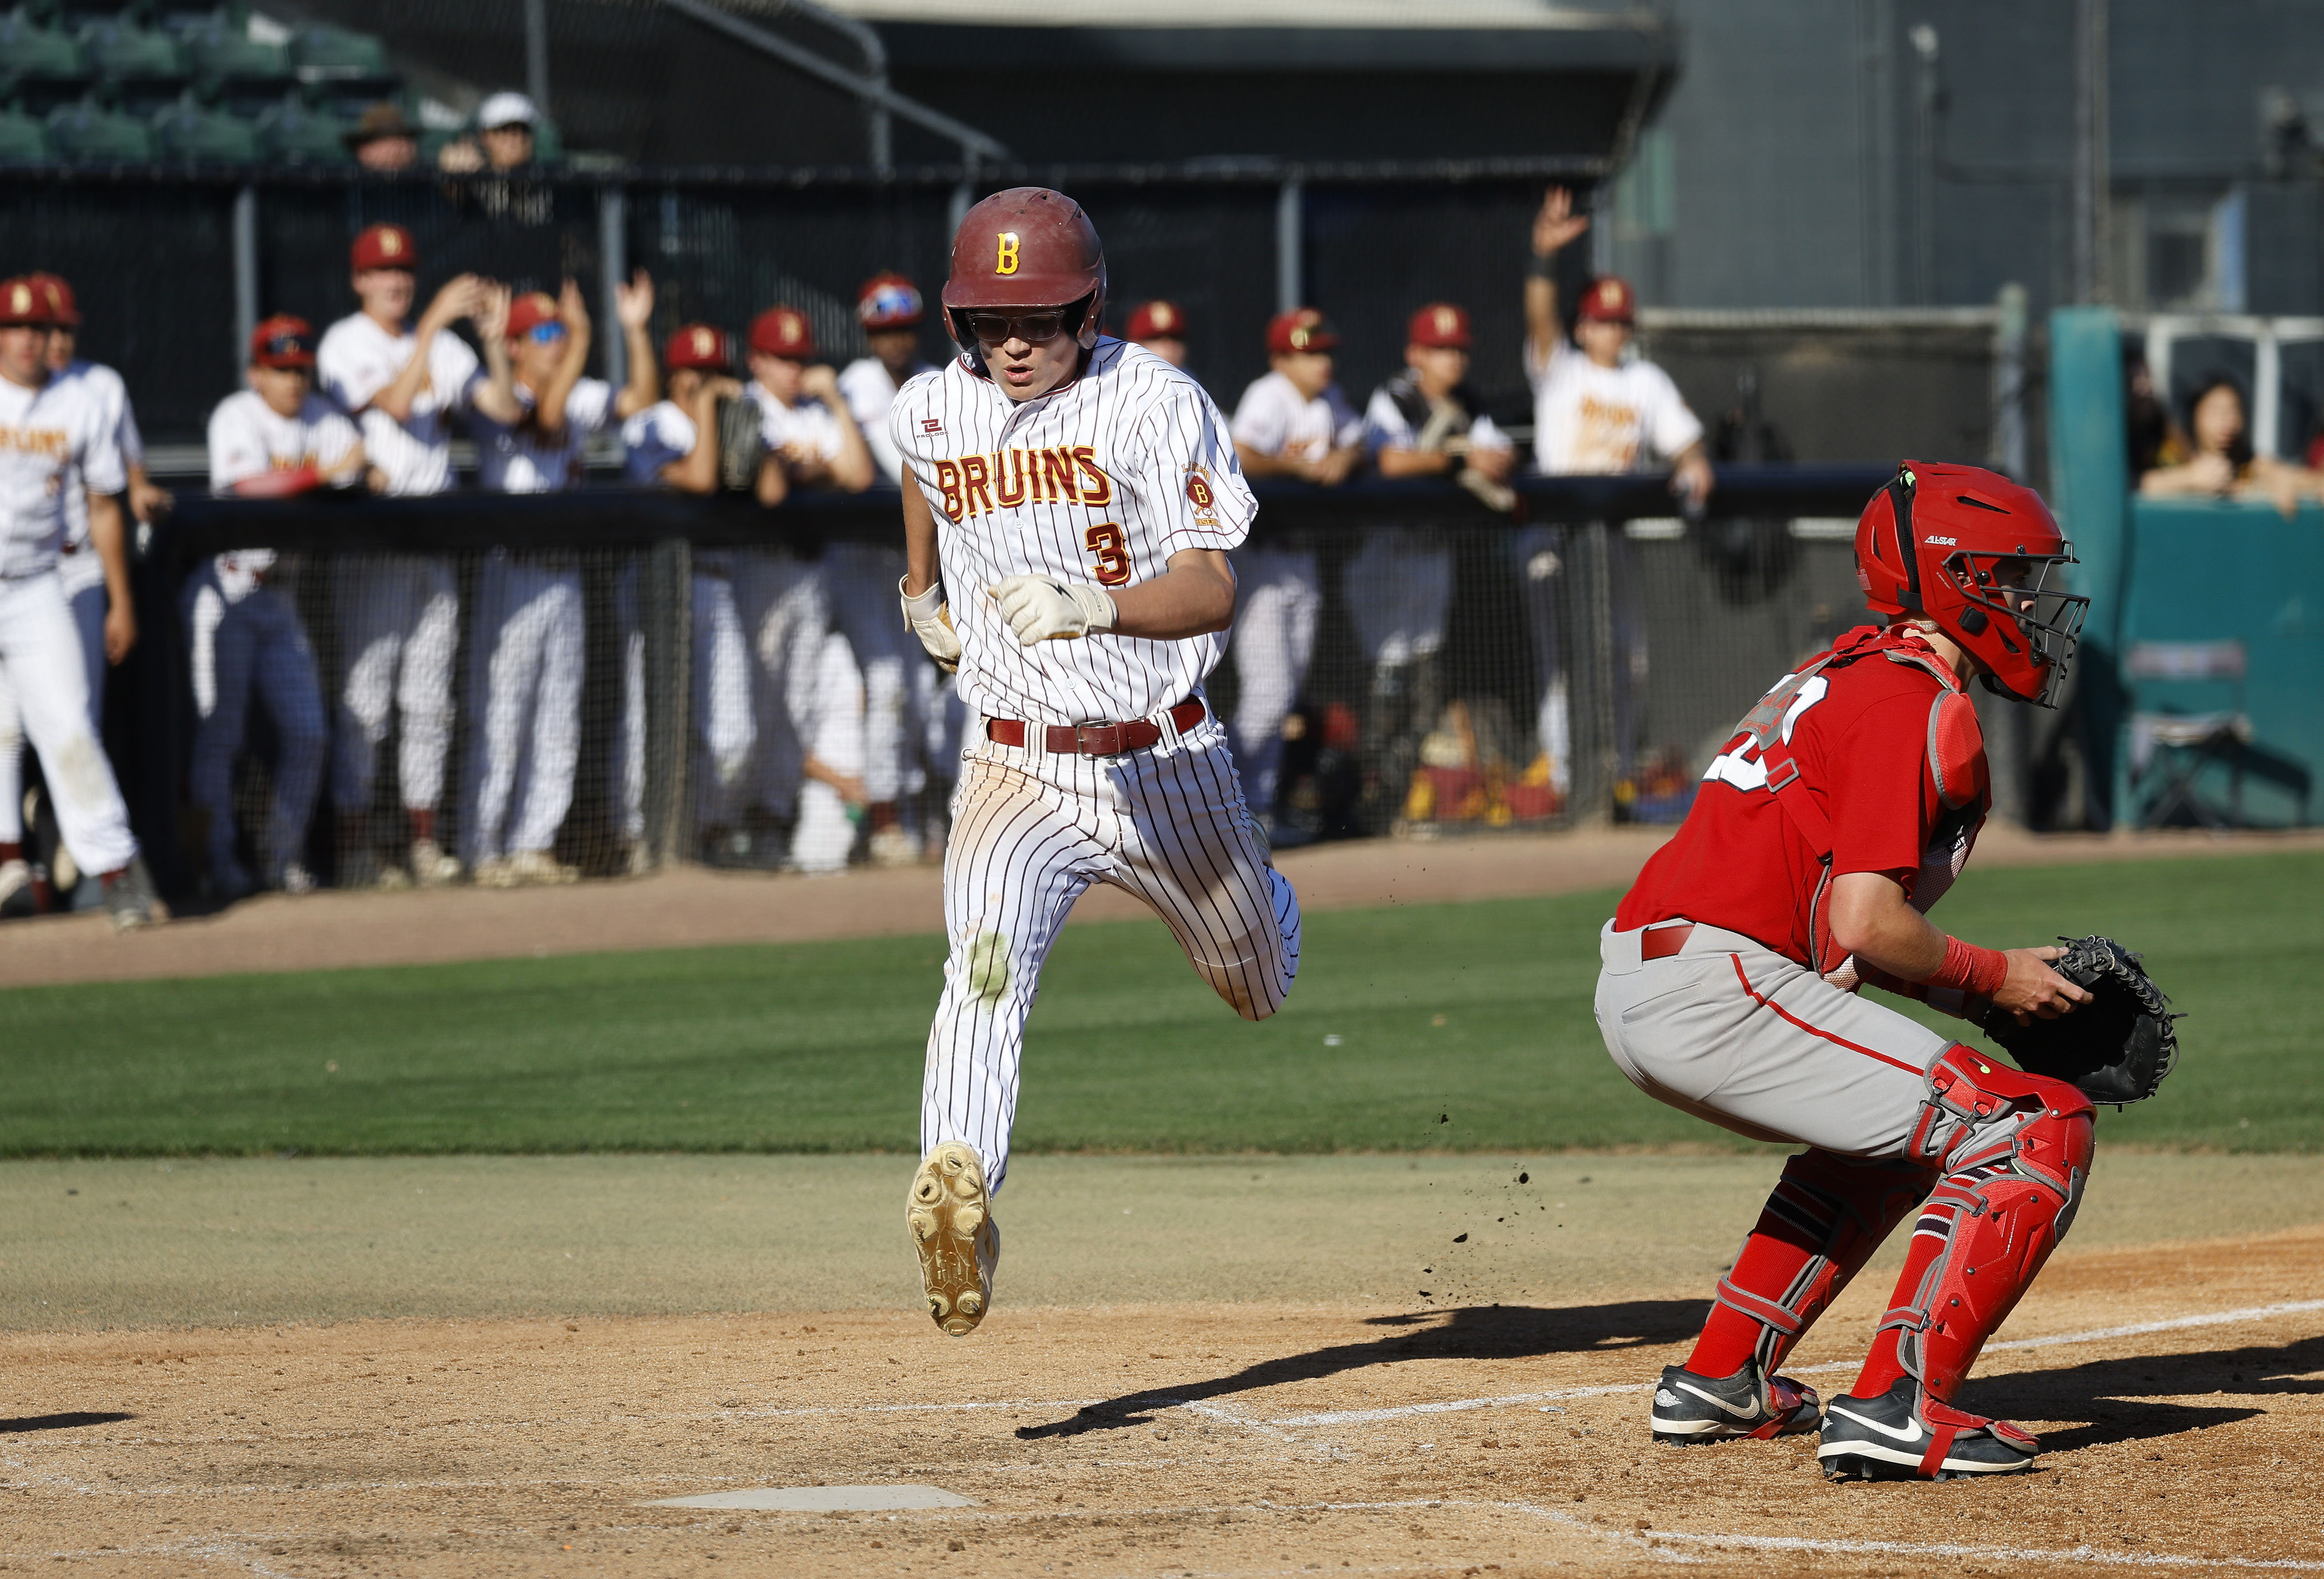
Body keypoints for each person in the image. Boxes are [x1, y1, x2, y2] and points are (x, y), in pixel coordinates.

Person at [1596, 461, 2097, 1480]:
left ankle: (1722, 1378)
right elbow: (1866, 922)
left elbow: (1841, 923)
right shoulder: (1907, 695)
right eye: (2008, 578)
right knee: (2031, 1125)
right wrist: (1994, 971)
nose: (2028, 603)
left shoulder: (1851, 667)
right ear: (1953, 581)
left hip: (1665, 974)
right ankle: (1900, 1403)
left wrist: (1978, 985)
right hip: (1717, 985)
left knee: (1892, 1139)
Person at [892, 187, 1301, 1338]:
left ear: (1091, 308)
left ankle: (1267, 896)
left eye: (1043, 316)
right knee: (981, 968)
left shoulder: (1154, 403)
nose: (1014, 341)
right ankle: (959, 1177)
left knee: (1258, 987)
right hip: (1013, 768)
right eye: (989, 319)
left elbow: (1214, 584)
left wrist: (1099, 605)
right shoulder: (934, 407)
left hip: (1166, 765)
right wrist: (919, 587)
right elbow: (919, 467)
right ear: (957, 321)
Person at [317, 223, 514, 889]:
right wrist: (432, 325)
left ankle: (422, 843)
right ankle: (355, 846)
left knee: (429, 700)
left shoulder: (448, 344)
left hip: (433, 536)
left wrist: (493, 342)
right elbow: (398, 404)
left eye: (404, 270)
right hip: (373, 538)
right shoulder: (346, 341)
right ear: (360, 280)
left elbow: (506, 411)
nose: (395, 280)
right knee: (366, 701)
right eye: (381, 271)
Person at [462, 274, 657, 886]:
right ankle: (483, 846)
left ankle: (533, 843)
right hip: (512, 575)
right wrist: (586, 334)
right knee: (500, 714)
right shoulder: (496, 394)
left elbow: (640, 400)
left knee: (558, 717)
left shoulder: (574, 390)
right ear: (515, 344)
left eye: (558, 330)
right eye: (543, 332)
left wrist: (633, 330)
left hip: (564, 577)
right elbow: (544, 420)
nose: (556, 342)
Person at [1524, 184, 1713, 793]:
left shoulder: (1645, 379)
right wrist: (1542, 256)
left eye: (1621, 320)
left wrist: (1694, 461)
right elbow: (1539, 315)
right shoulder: (1561, 368)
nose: (1614, 329)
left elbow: (1685, 443)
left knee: (1630, 658)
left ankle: (1619, 771)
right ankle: (1561, 774)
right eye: (1603, 320)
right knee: (1563, 661)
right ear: (1583, 327)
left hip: (1610, 535)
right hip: (1556, 527)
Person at [0, 271, 166, 916]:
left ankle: (117, 868)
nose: (24, 340)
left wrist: (121, 600)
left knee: (70, 725)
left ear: (55, 337)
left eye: (38, 328)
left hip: (39, 584)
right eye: (12, 327)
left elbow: (104, 507)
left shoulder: (83, 399)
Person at [196, 315, 351, 899]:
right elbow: (249, 487)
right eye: (280, 368)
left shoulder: (323, 416)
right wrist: (323, 473)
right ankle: (217, 860)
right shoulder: (236, 413)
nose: (293, 380)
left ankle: (280, 852)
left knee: (310, 733)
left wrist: (355, 469)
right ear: (256, 372)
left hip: (282, 596)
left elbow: (360, 464)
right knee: (222, 735)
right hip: (230, 589)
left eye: (300, 369)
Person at [1348, 302, 1518, 822]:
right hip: (1385, 558)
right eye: (1441, 349)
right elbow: (1392, 461)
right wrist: (1460, 457)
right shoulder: (1396, 396)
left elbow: (1504, 453)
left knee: (1426, 693)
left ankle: (1395, 801)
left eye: (1459, 349)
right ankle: (1366, 802)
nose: (1453, 359)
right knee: (1386, 691)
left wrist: (1487, 455)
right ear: (1416, 353)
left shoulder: (1468, 401)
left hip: (1431, 559)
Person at [614, 323, 776, 868]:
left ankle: (707, 832)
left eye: (714, 373)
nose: (703, 382)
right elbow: (701, 478)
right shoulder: (650, 425)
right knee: (648, 721)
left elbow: (774, 492)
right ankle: (639, 837)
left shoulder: (730, 420)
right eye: (694, 373)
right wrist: (710, 408)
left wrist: (756, 422)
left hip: (717, 582)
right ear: (673, 374)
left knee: (736, 733)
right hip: (659, 589)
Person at [745, 304, 885, 868]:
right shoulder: (746, 407)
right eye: (781, 359)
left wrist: (833, 403)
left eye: (800, 358)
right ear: (756, 360)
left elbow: (856, 476)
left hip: (808, 572)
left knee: (796, 705)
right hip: (756, 570)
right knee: (753, 702)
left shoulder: (813, 411)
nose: (793, 369)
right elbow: (773, 486)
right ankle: (734, 819)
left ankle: (772, 822)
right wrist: (810, 469)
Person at [1224, 306, 1360, 830]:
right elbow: (1241, 453)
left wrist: (1344, 459)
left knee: (1285, 698)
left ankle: (1258, 804)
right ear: (1281, 359)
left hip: (1300, 561)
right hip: (1259, 559)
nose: (1321, 363)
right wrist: (1298, 468)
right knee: (1269, 694)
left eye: (1324, 352)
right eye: (1307, 353)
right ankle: (1233, 803)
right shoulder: (1269, 395)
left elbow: (1356, 439)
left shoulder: (1326, 401)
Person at [834, 274, 953, 865]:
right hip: (856, 558)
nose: (896, 340)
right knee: (884, 685)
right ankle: (883, 816)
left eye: (904, 327)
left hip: (916, 557)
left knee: (916, 690)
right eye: (884, 330)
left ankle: (914, 811)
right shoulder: (854, 383)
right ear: (867, 332)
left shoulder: (936, 379)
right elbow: (897, 462)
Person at [2138, 375, 2323, 519]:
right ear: (2195, 415)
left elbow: (2287, 475)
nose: (2226, 420)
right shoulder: (2173, 456)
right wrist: (2190, 479)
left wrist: (2281, 483)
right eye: (2215, 410)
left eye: (2234, 410)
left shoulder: (2249, 465)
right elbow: (2138, 484)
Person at [438, 90, 537, 173]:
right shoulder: (473, 181)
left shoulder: (544, 180)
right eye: (505, 129)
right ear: (486, 136)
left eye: (524, 129)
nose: (518, 139)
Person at [344, 101, 420, 173]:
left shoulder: (425, 178)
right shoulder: (345, 181)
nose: (397, 150)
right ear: (363, 149)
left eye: (403, 140)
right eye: (387, 141)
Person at [1125, 300, 1189, 370]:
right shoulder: (1119, 379)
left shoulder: (1194, 380)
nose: (1169, 346)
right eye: (1155, 338)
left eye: (1176, 337)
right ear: (1133, 344)